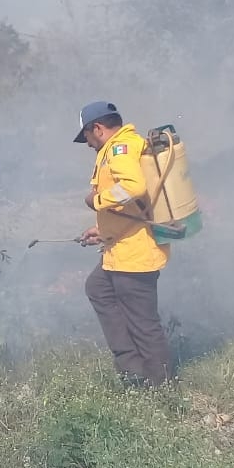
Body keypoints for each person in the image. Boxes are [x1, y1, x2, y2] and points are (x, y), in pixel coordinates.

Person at [74, 101, 172, 386]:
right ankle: (132, 367)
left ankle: (161, 385)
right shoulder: (121, 147)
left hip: (135, 254)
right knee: (97, 287)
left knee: (144, 323)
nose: (88, 144)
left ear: (98, 129)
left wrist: (96, 201)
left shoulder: (120, 148)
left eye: (87, 138)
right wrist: (102, 229)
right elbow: (134, 205)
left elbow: (132, 187)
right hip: (123, 246)